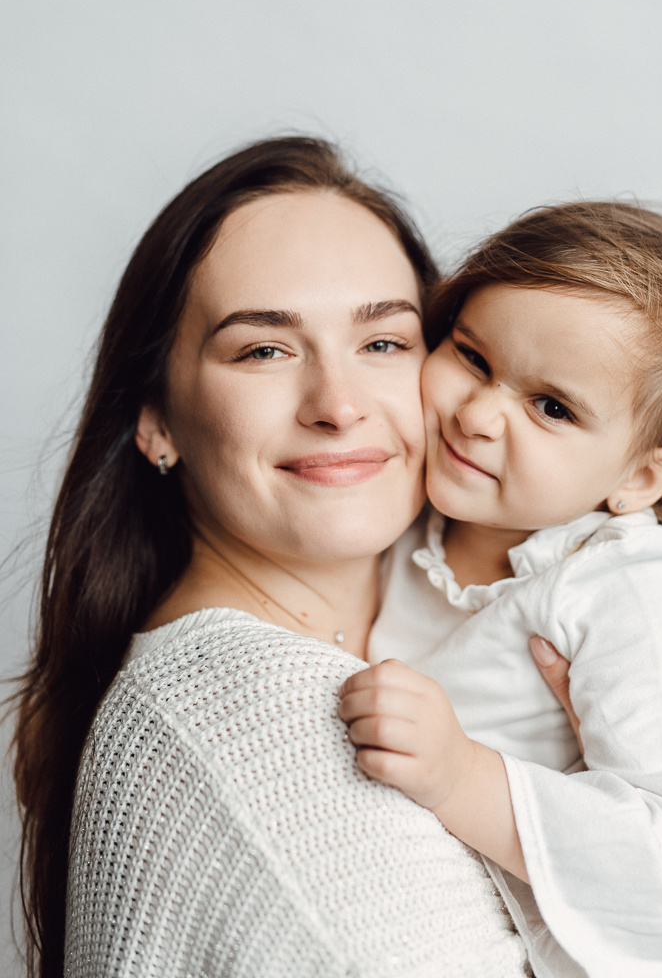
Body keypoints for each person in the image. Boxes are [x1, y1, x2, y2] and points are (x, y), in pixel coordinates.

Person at [11, 138, 530, 978]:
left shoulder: (457, 653)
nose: (338, 404)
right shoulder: (252, 725)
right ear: (157, 421)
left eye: (384, 343)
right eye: (263, 349)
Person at [342, 201, 662, 978]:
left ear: (638, 478)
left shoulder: (620, 579)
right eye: (472, 357)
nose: (479, 415)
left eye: (551, 407)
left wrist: (462, 776)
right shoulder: (397, 513)